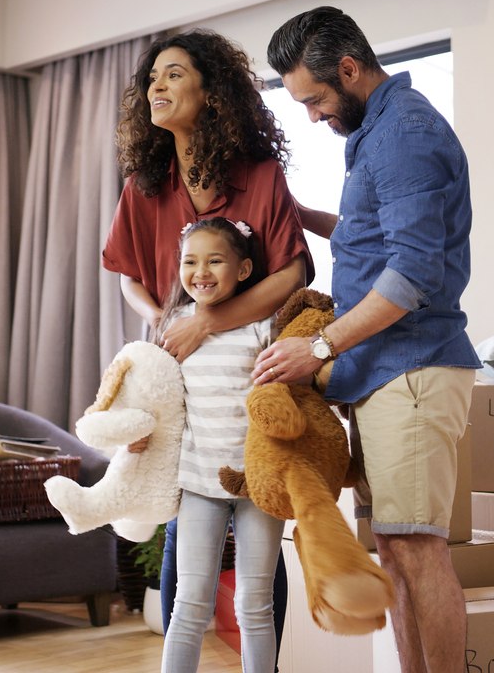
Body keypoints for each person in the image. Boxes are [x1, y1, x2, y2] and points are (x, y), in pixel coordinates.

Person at [254, 6, 480, 673]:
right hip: (386, 373)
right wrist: (293, 216)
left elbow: (411, 275)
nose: (314, 116)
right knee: (397, 548)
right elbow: (373, 240)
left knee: (416, 550)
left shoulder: (403, 136)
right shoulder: (381, 135)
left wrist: (319, 347)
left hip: (409, 371)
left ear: (348, 69)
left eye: (316, 99)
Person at [102, 29, 301, 656]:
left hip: (253, 374)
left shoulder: (262, 176)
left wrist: (207, 321)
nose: (156, 86)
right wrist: (165, 317)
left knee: (260, 579)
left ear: (212, 93)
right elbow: (130, 278)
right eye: (152, 78)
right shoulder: (143, 185)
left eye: (174, 75)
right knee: (184, 562)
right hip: (179, 376)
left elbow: (293, 273)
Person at [158, 218, 284, 673]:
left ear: (244, 269)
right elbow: (161, 399)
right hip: (198, 482)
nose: (200, 271)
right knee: (190, 602)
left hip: (259, 485)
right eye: (190, 261)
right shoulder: (174, 327)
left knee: (255, 603)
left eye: (215, 260)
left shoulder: (263, 326)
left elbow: (288, 396)